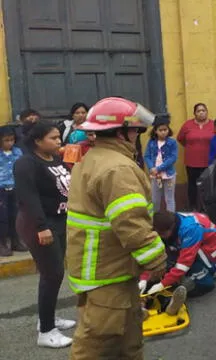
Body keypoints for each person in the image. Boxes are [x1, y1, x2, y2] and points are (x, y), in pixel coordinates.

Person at [66, 97, 168, 359]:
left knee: (126, 343)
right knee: (98, 347)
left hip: (108, 270)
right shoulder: (117, 168)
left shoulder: (95, 158)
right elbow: (130, 220)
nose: (138, 134)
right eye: (135, 129)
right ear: (120, 132)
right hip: (108, 273)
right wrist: (155, 258)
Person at [13, 121, 75, 348]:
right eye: (53, 138)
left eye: (59, 137)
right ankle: (47, 331)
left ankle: (47, 318)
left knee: (53, 273)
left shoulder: (55, 159)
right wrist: (41, 227)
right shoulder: (26, 163)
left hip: (58, 221)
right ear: (37, 141)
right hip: (39, 224)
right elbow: (28, 198)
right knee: (53, 273)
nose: (59, 141)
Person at [139, 211, 216, 297]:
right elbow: (157, 254)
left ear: (171, 228)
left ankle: (206, 284)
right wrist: (144, 278)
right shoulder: (171, 222)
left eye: (162, 234)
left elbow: (184, 264)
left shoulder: (189, 230)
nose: (160, 237)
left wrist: (162, 284)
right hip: (205, 242)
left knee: (193, 266)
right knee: (178, 261)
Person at [177, 103, 216, 210]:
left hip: (208, 161)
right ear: (194, 113)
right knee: (192, 185)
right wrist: (191, 147)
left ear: (207, 112)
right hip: (192, 161)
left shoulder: (213, 124)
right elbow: (180, 138)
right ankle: (193, 207)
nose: (201, 113)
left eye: (203, 110)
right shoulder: (187, 125)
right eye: (198, 111)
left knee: (207, 185)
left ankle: (207, 208)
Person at [144, 115, 178, 213]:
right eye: (160, 130)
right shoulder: (151, 142)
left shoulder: (172, 143)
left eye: (165, 129)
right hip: (155, 176)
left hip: (169, 175)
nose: (163, 132)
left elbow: (173, 158)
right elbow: (147, 156)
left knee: (169, 198)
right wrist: (151, 168)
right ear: (155, 131)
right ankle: (154, 218)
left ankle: (171, 219)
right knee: (155, 199)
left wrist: (158, 168)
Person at [0, 125, 24, 256]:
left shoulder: (18, 152)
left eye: (12, 140)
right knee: (2, 217)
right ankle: (2, 243)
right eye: (6, 140)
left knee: (15, 216)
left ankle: (16, 241)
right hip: (1, 189)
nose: (10, 143)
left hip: (15, 187)